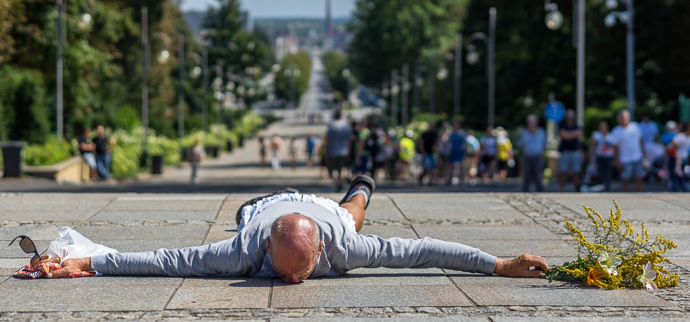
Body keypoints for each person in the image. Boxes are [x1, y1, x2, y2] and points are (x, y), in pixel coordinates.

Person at [43, 175, 550, 282]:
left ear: (322, 254)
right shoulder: (243, 250)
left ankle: (361, 188)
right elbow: (168, 259)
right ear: (265, 250)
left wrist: (500, 265)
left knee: (353, 213)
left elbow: (423, 250)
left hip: (323, 213)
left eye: (299, 272)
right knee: (346, 219)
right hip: (261, 207)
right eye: (284, 271)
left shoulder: (344, 246)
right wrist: (88, 262)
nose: (288, 283)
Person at [610, 110, 646, 192]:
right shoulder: (616, 131)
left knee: (639, 177)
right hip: (624, 159)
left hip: (637, 156)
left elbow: (640, 141)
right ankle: (625, 197)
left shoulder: (635, 127)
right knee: (625, 179)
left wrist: (644, 154)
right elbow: (615, 148)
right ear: (618, 119)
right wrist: (616, 160)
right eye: (622, 117)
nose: (624, 119)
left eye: (626, 117)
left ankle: (640, 196)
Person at [518, 115, 546, 192]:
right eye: (529, 122)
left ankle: (540, 193)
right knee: (526, 176)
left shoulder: (541, 132)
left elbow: (544, 144)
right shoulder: (524, 133)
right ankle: (525, 193)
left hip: (538, 157)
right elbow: (520, 145)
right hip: (527, 157)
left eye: (532, 122)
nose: (531, 124)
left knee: (538, 176)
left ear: (536, 123)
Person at [325, 110, 352, 191]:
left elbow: (328, 139)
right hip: (344, 151)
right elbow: (349, 139)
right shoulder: (346, 125)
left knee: (331, 170)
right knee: (341, 169)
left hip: (333, 151)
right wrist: (349, 150)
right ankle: (340, 182)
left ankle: (337, 182)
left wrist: (327, 150)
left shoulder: (332, 125)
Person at [558, 109, 582, 192]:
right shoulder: (562, 126)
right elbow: (564, 135)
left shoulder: (577, 126)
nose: (570, 117)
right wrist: (573, 134)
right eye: (569, 115)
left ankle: (576, 189)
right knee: (563, 171)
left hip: (575, 151)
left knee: (576, 172)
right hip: (565, 151)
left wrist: (568, 134)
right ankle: (561, 189)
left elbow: (576, 134)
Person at [590, 120, 615, 192]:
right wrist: (591, 156)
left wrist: (614, 158)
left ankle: (607, 188)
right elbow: (593, 146)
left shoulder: (611, 135)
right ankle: (599, 187)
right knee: (599, 172)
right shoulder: (596, 135)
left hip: (608, 157)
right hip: (599, 156)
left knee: (608, 173)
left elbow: (613, 147)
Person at [670, 121, 690, 192]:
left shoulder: (680, 136)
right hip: (685, 158)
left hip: (677, 158)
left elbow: (673, 144)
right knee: (683, 178)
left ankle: (675, 191)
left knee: (675, 177)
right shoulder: (688, 137)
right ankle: (685, 191)